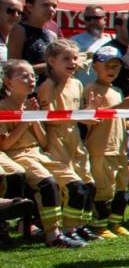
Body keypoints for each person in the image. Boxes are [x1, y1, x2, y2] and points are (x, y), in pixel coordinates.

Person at [0, 59, 85, 247]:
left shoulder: (30, 105)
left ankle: (69, 230)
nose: (31, 79)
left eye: (32, 75)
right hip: (16, 155)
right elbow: (5, 145)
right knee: (47, 183)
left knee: (76, 184)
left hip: (38, 153)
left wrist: (33, 117)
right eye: (23, 76)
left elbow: (44, 142)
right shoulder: (3, 107)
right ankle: (52, 234)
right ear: (8, 82)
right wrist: (25, 120)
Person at [33, 41, 98, 242]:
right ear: (52, 61)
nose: (72, 62)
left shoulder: (77, 83)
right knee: (73, 187)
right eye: (66, 58)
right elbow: (48, 118)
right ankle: (68, 229)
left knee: (89, 185)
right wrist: (78, 117)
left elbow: (78, 115)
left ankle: (81, 224)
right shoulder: (48, 86)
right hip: (57, 140)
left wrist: (91, 112)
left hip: (75, 140)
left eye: (75, 57)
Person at [83, 45, 129, 237]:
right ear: (95, 67)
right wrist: (121, 106)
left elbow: (119, 119)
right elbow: (93, 118)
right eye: (106, 65)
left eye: (115, 66)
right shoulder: (91, 90)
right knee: (103, 189)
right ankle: (99, 225)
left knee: (121, 185)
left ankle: (116, 222)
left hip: (119, 148)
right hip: (100, 148)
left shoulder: (116, 90)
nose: (111, 70)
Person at [8, 0, 59, 70]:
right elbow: (13, 69)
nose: (51, 10)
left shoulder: (52, 35)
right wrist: (51, 66)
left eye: (54, 6)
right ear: (30, 6)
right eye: (45, 5)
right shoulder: (19, 30)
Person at [71, 5, 115, 85]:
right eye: (88, 18)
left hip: (105, 90)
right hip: (82, 91)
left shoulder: (112, 41)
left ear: (105, 19)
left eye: (95, 18)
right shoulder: (74, 41)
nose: (92, 21)